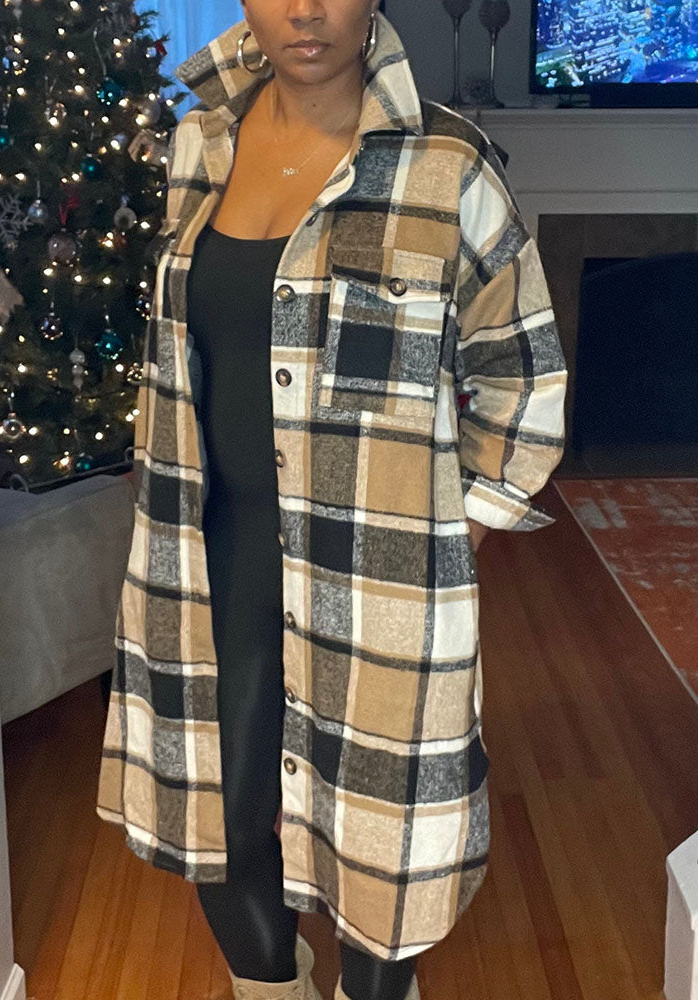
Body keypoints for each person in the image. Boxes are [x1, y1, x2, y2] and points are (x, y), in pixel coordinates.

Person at [96, 4, 568, 1000]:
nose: (305, 10)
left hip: (377, 572)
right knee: (218, 809)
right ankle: (269, 986)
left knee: (379, 828)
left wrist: (461, 527)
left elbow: (523, 372)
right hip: (209, 554)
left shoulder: (448, 167)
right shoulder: (196, 146)